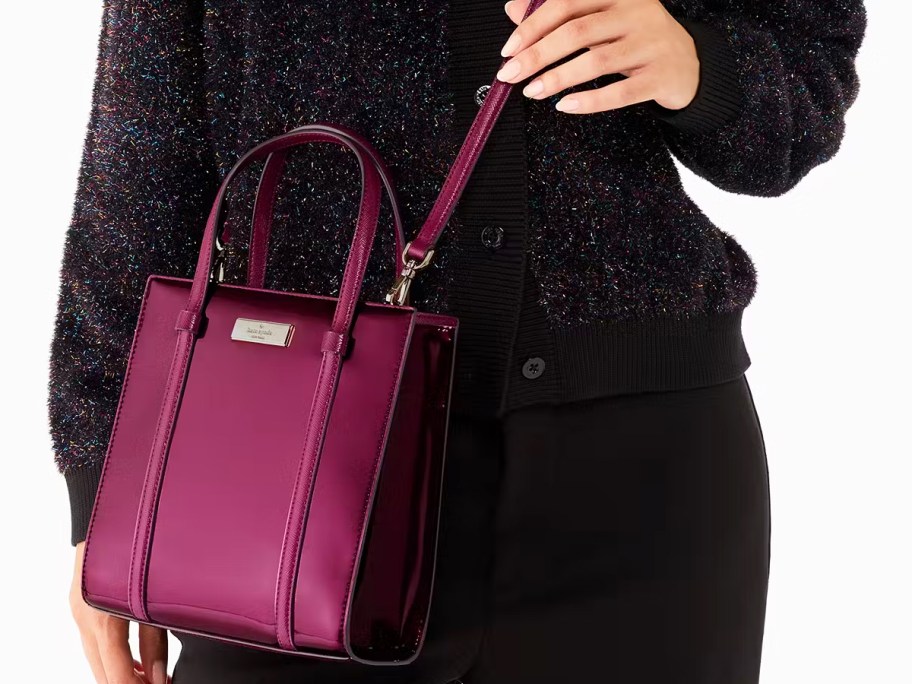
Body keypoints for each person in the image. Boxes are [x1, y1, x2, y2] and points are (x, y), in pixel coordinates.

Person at [48, 0, 865, 682]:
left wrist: (694, 66)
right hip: (287, 481)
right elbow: (139, 179)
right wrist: (104, 492)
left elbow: (797, 111)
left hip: (641, 481)